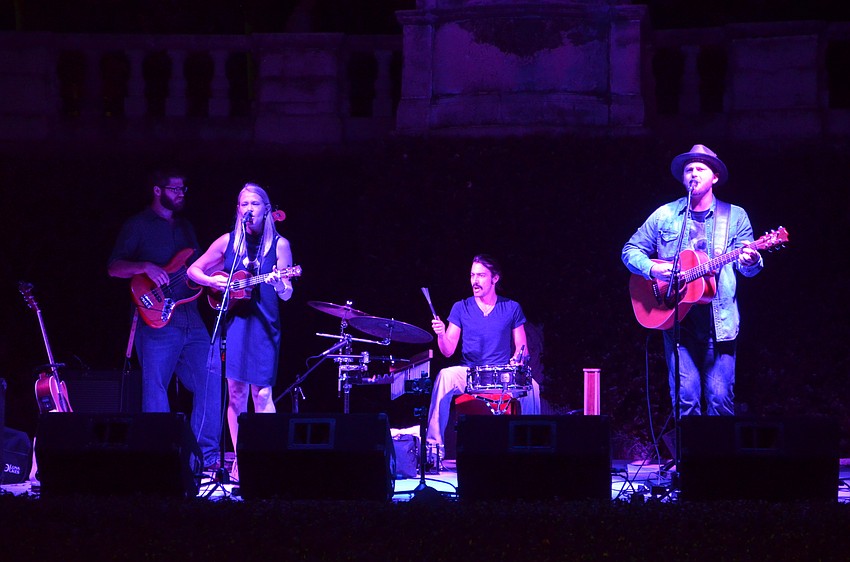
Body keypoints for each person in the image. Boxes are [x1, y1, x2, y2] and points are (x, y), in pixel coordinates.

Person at [622, 144, 763, 417]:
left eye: (700, 168)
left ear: (715, 177)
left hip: (720, 323)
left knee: (720, 401)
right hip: (677, 321)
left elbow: (748, 269)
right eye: (689, 170)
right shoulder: (665, 215)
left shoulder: (735, 216)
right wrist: (653, 269)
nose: (693, 174)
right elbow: (630, 250)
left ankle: (718, 448)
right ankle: (688, 448)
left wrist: (751, 260)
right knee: (685, 400)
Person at [108, 170, 221, 470]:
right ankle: (161, 458)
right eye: (175, 189)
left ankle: (204, 457)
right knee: (156, 387)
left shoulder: (186, 227)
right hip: (155, 319)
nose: (181, 193)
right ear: (158, 191)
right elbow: (114, 268)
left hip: (191, 316)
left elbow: (197, 267)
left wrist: (220, 277)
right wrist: (144, 266)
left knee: (211, 378)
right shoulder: (138, 225)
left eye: (184, 189)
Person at [187, 183, 294, 475]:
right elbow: (193, 270)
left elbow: (287, 293)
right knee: (235, 394)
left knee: (262, 394)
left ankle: (268, 461)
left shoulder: (280, 245)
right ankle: (242, 460)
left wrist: (279, 283)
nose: (249, 209)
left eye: (255, 204)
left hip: (264, 325)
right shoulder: (228, 241)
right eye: (244, 204)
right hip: (235, 323)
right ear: (238, 210)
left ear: (266, 210)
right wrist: (212, 281)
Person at [426, 254, 541, 460]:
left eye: (481, 275)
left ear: (495, 278)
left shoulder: (511, 307)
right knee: (444, 376)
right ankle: (433, 450)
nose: (475, 281)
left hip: (501, 373)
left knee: (532, 386)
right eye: (472, 275)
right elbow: (448, 351)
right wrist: (441, 335)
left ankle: (532, 449)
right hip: (469, 373)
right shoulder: (460, 307)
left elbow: (522, 348)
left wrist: (518, 358)